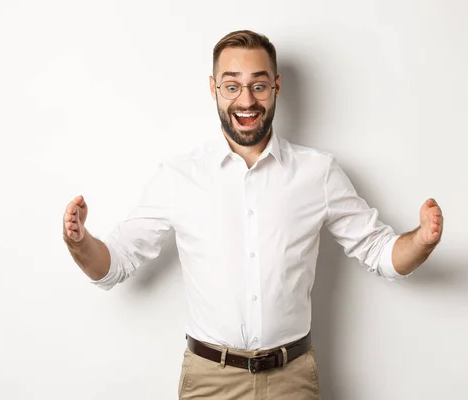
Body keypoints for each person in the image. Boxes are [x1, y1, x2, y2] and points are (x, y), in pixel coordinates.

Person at [62, 30, 443, 400]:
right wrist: (81, 243)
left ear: (276, 86)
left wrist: (422, 240)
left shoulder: (318, 173)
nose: (246, 100)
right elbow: (115, 265)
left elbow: (380, 252)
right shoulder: (179, 177)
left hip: (293, 380)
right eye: (232, 86)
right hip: (210, 381)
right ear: (213, 88)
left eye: (258, 86)